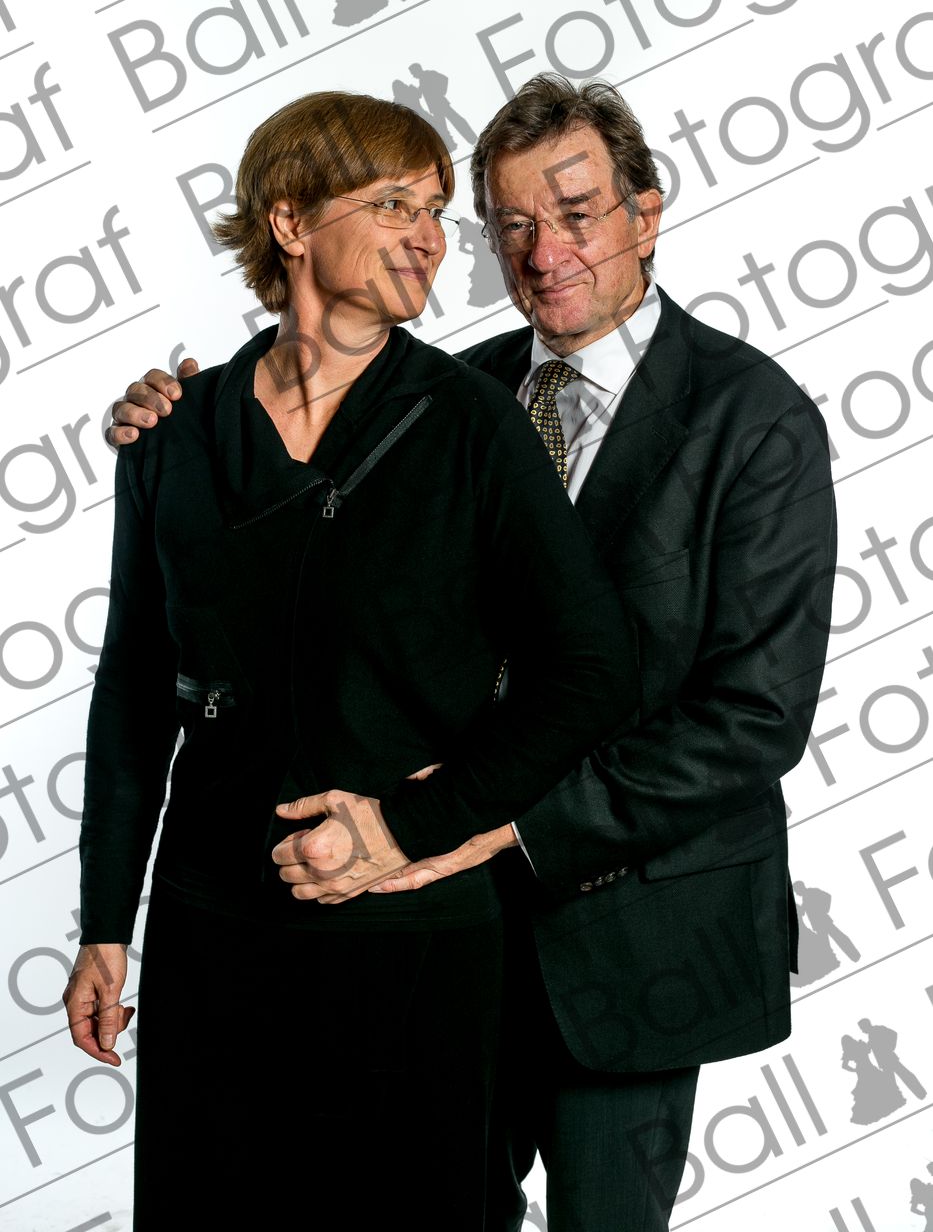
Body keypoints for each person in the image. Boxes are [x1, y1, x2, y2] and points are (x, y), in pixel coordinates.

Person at [107, 74, 837, 1231]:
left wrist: (486, 821)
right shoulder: (460, 390)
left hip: (627, 931)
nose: (543, 253)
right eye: (509, 225)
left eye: (577, 213)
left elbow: (752, 717)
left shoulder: (753, 417)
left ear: (646, 213)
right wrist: (185, 423)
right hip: (438, 935)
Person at [64, 89, 636, 1231]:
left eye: (435, 210)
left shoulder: (472, 424)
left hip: (410, 942)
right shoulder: (173, 433)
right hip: (214, 936)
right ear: (290, 223)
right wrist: (105, 925)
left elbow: (591, 669)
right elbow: (131, 690)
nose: (430, 237)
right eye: (392, 205)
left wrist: (410, 827)